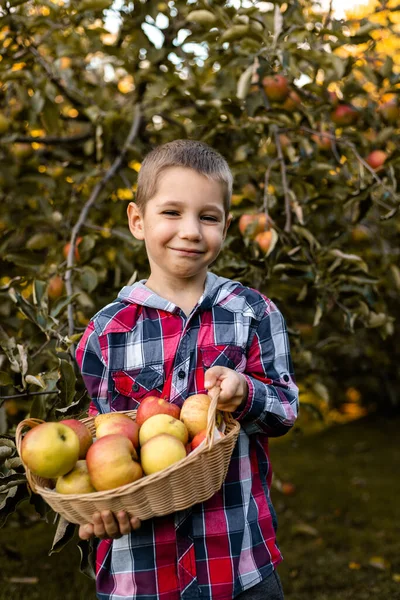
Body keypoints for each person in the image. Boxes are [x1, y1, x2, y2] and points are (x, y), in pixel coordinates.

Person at [76, 139, 299, 600]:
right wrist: (101, 508)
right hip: (140, 570)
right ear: (138, 221)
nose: (192, 231)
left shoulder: (253, 313)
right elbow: (98, 441)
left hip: (239, 560)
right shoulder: (106, 332)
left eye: (209, 217)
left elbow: (285, 410)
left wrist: (246, 393)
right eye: (172, 212)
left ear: (226, 227)